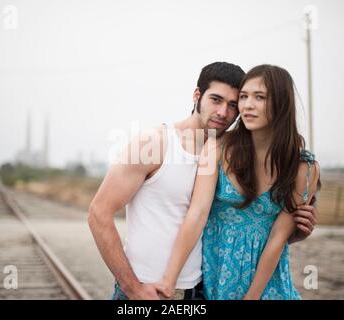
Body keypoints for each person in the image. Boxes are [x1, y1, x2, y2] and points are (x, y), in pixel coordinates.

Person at [87, 62, 318, 300]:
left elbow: (249, 222)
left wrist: (295, 234)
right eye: (216, 100)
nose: (223, 112)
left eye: (232, 104)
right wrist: (132, 287)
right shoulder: (154, 143)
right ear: (197, 95)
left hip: (201, 287)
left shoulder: (233, 155)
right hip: (149, 287)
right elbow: (98, 213)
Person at [155, 64, 320, 300]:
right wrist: (168, 281)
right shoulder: (218, 147)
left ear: (281, 103)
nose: (247, 105)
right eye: (243, 97)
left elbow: (277, 238)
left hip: (268, 286)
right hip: (214, 282)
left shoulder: (304, 167)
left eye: (260, 97)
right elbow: (198, 213)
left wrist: (251, 297)